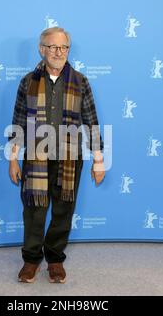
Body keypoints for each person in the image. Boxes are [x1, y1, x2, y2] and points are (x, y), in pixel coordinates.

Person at [8, 27, 105, 284]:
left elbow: (91, 123)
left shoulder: (80, 81)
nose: (58, 52)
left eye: (63, 47)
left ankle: (54, 260)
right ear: (42, 49)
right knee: (34, 212)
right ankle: (30, 260)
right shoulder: (28, 82)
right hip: (35, 157)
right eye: (53, 47)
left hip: (70, 159)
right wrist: (13, 159)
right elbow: (18, 123)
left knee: (63, 211)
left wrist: (98, 160)